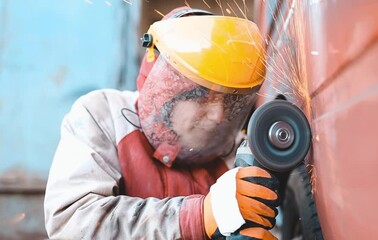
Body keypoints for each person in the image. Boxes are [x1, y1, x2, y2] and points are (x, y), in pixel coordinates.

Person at [44, 6, 279, 240]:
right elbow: (73, 225)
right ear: (164, 90)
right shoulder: (103, 116)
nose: (218, 115)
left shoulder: (239, 151)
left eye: (227, 102)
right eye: (201, 96)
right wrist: (196, 217)